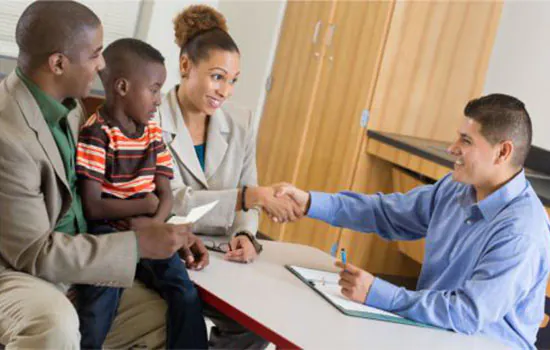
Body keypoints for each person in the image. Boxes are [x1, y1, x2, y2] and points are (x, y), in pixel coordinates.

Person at [0, 2, 208, 348]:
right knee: (56, 324)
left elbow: (100, 193)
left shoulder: (69, 106)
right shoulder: (8, 136)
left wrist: (165, 230)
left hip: (77, 253)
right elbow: (34, 254)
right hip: (17, 270)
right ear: (58, 63)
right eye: (95, 54)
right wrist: (139, 244)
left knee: (169, 320)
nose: (101, 65)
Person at [273, 94, 550, 349]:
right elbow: (385, 213)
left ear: (503, 152)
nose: (452, 148)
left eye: (466, 141)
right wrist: (310, 202)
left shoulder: (521, 231)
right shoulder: (455, 190)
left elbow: (466, 314)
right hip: (430, 333)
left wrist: (379, 294)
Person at [156, 5, 300, 348]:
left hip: (223, 259)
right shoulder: (153, 117)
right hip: (173, 251)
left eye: (233, 81)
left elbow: (248, 193)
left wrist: (246, 236)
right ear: (186, 66)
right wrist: (247, 196)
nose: (226, 91)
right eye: (217, 77)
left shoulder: (242, 122)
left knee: (257, 324)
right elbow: (174, 201)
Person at [75, 38, 207, 349]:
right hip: (109, 234)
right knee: (99, 304)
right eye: (154, 89)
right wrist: (142, 207)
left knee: (184, 292)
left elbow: (165, 194)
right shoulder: (97, 134)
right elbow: (93, 206)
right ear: (122, 88)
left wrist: (156, 222)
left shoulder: (151, 132)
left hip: (152, 225)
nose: (159, 99)